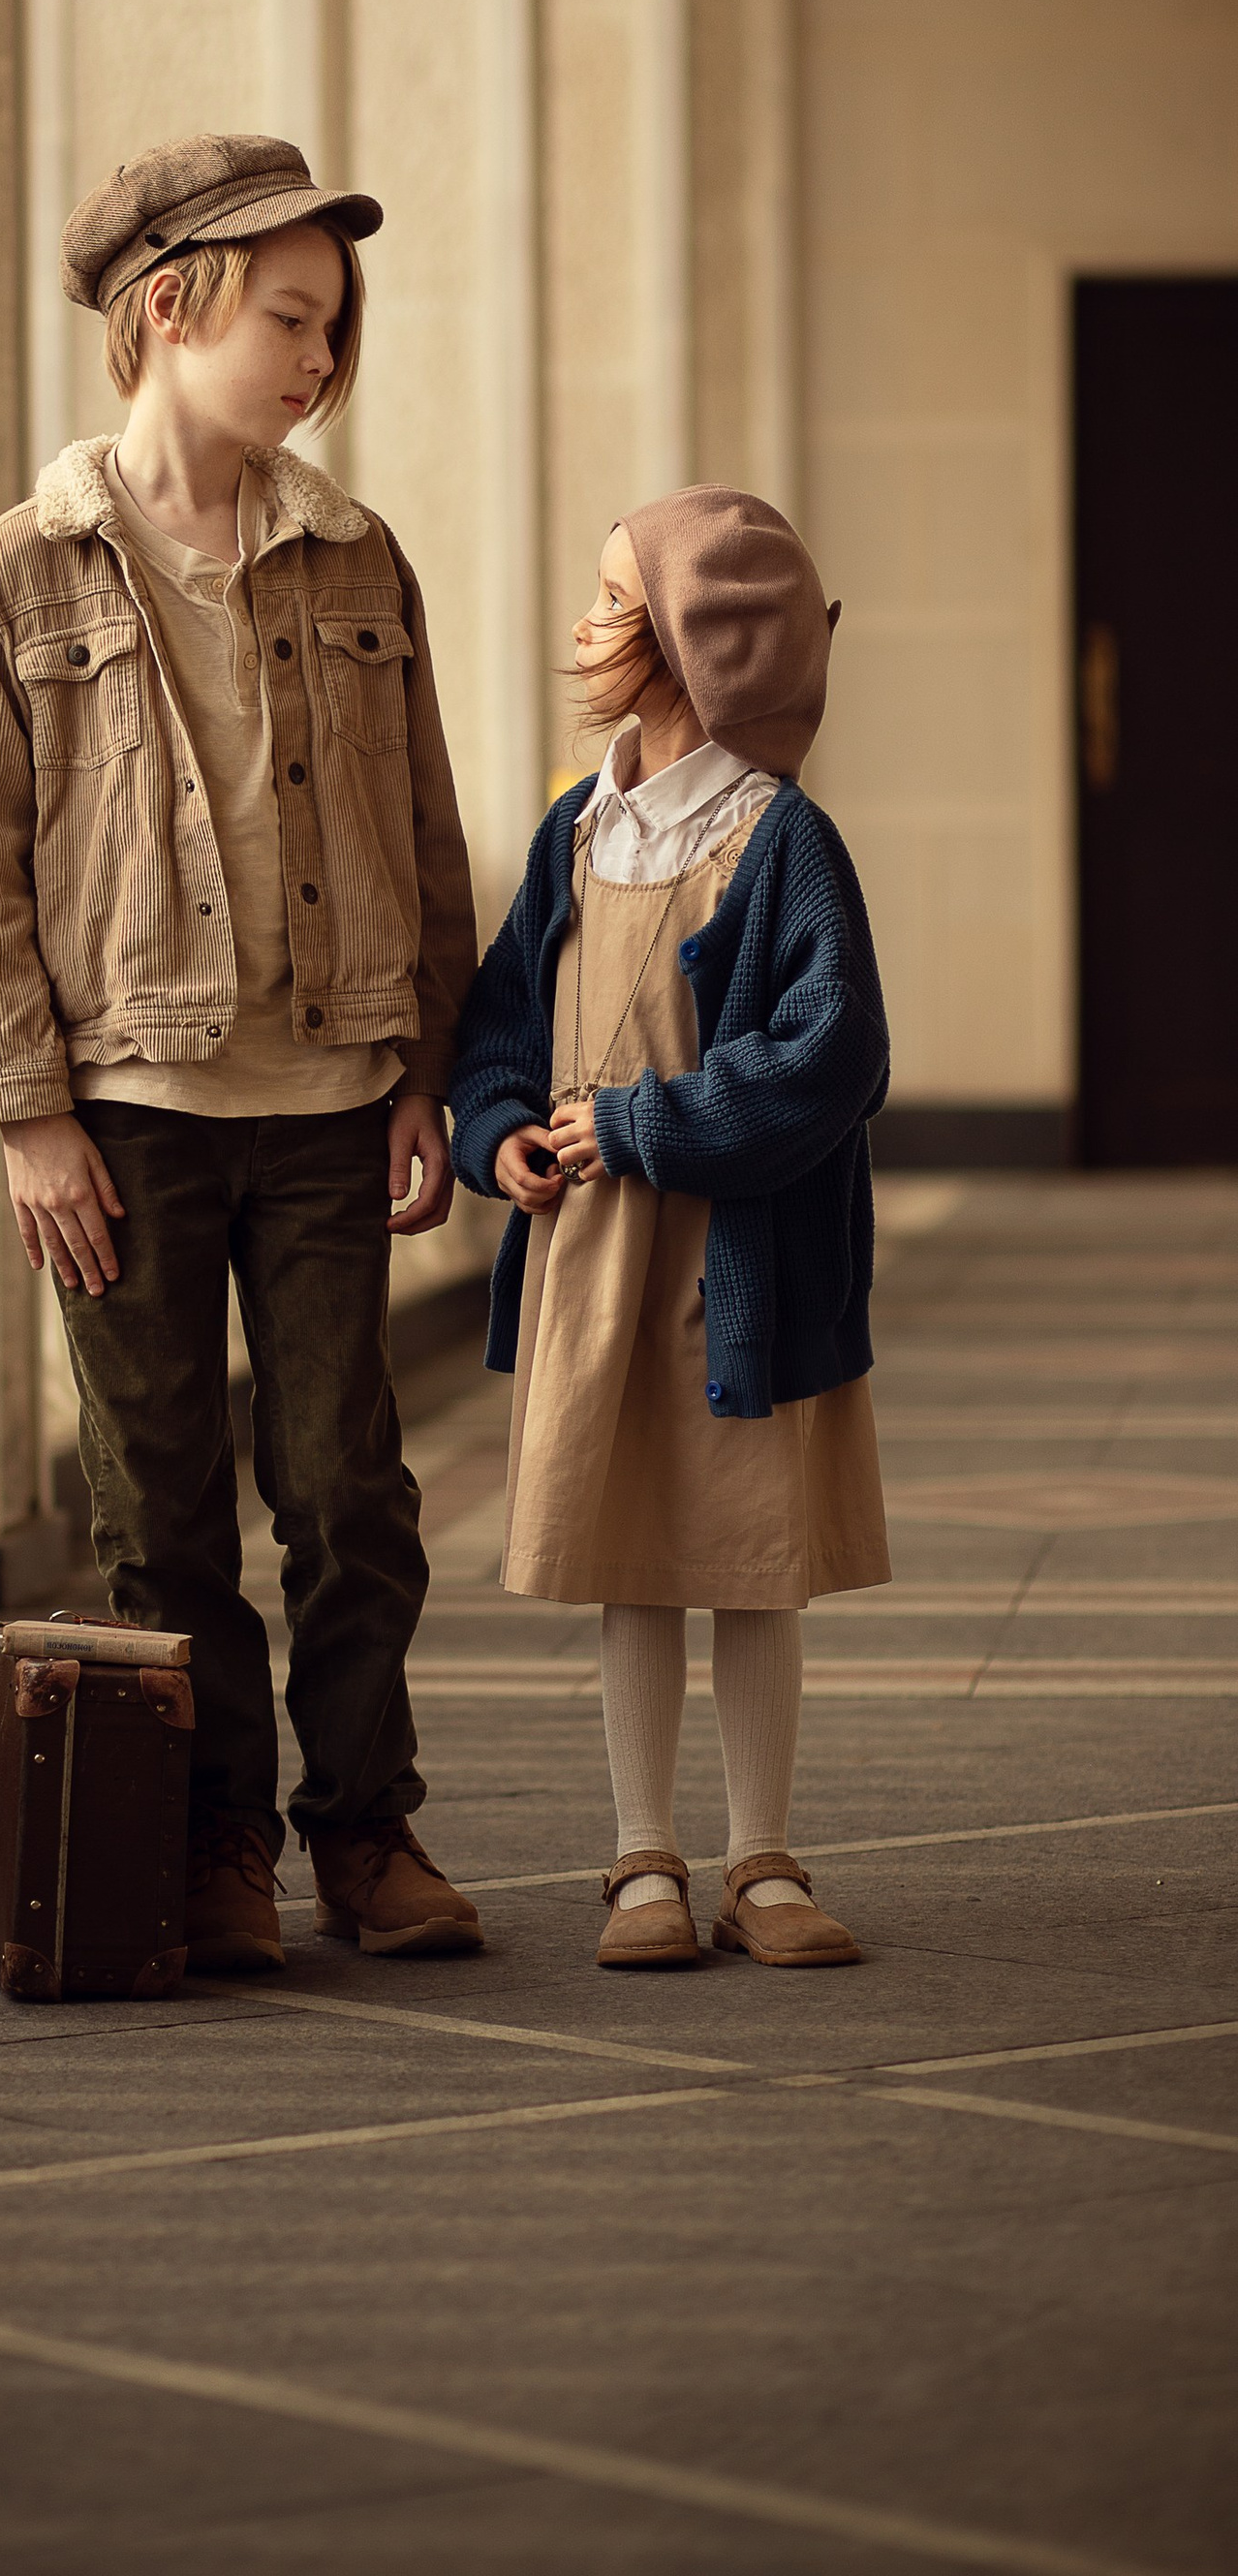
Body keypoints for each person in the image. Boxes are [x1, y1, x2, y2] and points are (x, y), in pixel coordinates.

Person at [0, 132, 482, 1974]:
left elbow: (424, 828)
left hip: (330, 1100)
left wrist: (429, 1069)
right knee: (159, 1512)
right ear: (168, 305)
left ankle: (368, 1834)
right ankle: (214, 1846)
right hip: (129, 1120)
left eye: (337, 324)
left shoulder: (353, 552)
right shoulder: (20, 576)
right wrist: (24, 1120)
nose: (323, 357)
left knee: (345, 1493)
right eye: (294, 316)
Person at [449, 489, 891, 1969]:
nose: (586, 626)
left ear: (695, 642)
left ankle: (763, 1859)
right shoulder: (577, 830)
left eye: (609, 601)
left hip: (738, 1264)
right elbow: (505, 1013)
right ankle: (644, 1859)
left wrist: (645, 1123)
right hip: (595, 1263)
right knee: (628, 1551)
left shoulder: (784, 842)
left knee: (752, 1558)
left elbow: (834, 1057)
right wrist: (497, 1124)